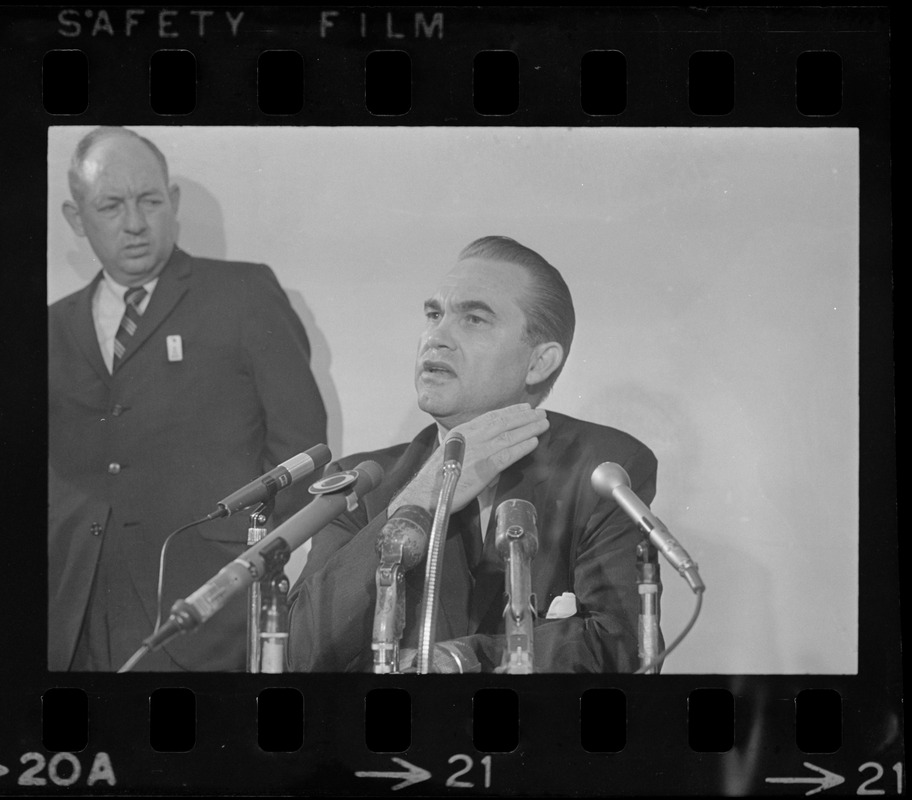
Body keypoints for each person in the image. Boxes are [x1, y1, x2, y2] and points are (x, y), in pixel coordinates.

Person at [286, 236, 658, 673]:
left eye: (474, 319)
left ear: (539, 362)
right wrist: (419, 499)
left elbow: (620, 644)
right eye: (434, 315)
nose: (436, 338)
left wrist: (462, 657)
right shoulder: (365, 480)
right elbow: (298, 654)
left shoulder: (602, 469)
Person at [48, 127, 328, 672]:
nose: (134, 224)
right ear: (76, 218)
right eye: (110, 206)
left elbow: (304, 451)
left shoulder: (243, 294)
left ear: (171, 202)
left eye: (149, 200)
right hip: (69, 613)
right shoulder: (50, 327)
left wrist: (247, 558)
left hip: (206, 610)